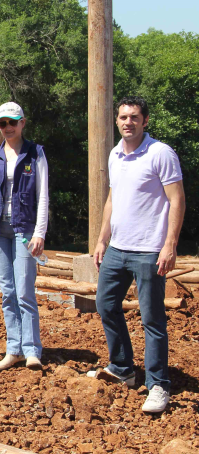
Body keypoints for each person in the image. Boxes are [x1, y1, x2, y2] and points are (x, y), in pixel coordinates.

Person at [90, 96, 184, 414]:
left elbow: (177, 200)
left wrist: (169, 245)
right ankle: (123, 368)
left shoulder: (160, 154)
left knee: (152, 318)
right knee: (105, 304)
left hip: (149, 250)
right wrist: (102, 239)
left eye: (134, 117)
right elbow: (113, 200)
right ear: (117, 120)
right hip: (118, 248)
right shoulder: (116, 154)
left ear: (145, 121)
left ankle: (158, 384)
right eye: (123, 117)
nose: (127, 122)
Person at [0, 102, 49, 371]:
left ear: (22, 123)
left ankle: (32, 350)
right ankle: (13, 349)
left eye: (12, 122)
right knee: (8, 292)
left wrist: (39, 233)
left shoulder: (35, 153)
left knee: (25, 292)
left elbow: (43, 196)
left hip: (24, 229)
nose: (8, 128)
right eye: (2, 123)